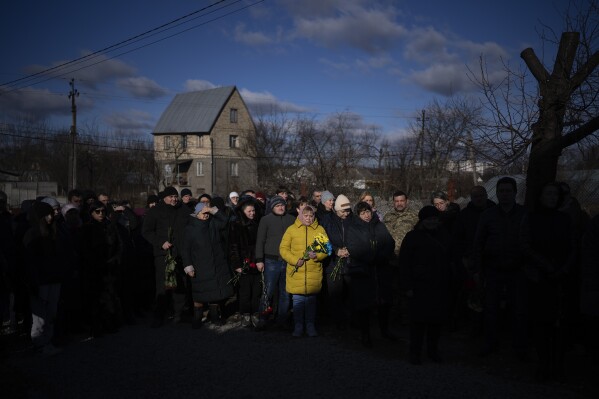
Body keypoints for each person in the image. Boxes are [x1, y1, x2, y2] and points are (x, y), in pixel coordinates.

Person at [520, 182, 573, 381]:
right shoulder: (531, 218)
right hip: (539, 278)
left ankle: (557, 364)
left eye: (554, 194)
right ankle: (543, 363)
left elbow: (573, 246)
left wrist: (564, 268)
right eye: (548, 194)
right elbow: (525, 245)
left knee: (559, 324)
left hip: (560, 278)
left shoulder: (564, 219)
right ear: (541, 196)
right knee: (540, 322)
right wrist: (545, 266)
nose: (551, 197)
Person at [473, 176, 529, 359]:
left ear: (515, 192)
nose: (504, 194)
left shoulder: (524, 214)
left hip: (517, 269)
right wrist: (478, 270)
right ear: (496, 193)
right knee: (491, 309)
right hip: (493, 269)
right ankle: (490, 343)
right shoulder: (488, 215)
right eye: (501, 191)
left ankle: (519, 346)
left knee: (519, 310)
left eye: (508, 191)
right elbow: (479, 243)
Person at [399, 206, 452, 365]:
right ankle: (415, 352)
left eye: (435, 219)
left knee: (436, 322)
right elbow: (405, 263)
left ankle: (433, 351)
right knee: (418, 323)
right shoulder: (412, 237)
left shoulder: (444, 235)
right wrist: (407, 286)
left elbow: (449, 258)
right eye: (429, 219)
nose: (432, 222)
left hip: (438, 285)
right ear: (422, 221)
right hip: (419, 286)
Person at [182, 203, 234, 328]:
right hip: (200, 266)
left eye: (206, 213)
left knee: (214, 293)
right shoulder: (190, 229)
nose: (205, 216)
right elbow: (185, 250)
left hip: (216, 264)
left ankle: (215, 317)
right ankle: (197, 318)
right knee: (199, 294)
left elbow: (225, 220)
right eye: (203, 213)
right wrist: (188, 266)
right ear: (197, 214)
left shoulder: (213, 223)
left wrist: (212, 210)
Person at [22, 201, 65, 355]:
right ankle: (39, 343)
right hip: (40, 281)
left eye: (51, 214)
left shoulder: (54, 232)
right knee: (39, 315)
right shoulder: (32, 234)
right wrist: (32, 280)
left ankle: (47, 341)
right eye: (46, 215)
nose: (50, 217)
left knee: (51, 312)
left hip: (54, 278)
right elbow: (29, 261)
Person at [280, 205, 329, 337]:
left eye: (311, 216)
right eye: (306, 216)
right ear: (301, 215)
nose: (308, 219)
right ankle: (298, 325)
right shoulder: (291, 230)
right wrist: (295, 260)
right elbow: (283, 249)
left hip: (313, 273)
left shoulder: (319, 230)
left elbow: (327, 249)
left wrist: (317, 256)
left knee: (311, 302)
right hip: (297, 273)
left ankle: (310, 325)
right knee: (298, 301)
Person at [141, 186, 186, 328]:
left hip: (179, 253)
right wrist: (161, 242)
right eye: (171, 196)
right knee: (162, 285)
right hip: (162, 254)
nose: (174, 199)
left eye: (175, 196)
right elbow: (146, 231)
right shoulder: (155, 211)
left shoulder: (182, 209)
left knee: (179, 284)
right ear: (165, 197)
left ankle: (179, 314)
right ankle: (159, 315)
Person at [254, 195, 295, 329]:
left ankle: (282, 319)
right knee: (268, 290)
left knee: (285, 292)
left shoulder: (291, 219)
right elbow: (260, 240)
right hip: (271, 260)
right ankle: (262, 317)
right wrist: (259, 259)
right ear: (272, 207)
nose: (280, 207)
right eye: (277, 205)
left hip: (288, 260)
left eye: (282, 205)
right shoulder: (266, 220)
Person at [229, 199, 261, 327]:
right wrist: (236, 264)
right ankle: (245, 313)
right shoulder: (236, 224)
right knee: (245, 291)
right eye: (249, 211)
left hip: (257, 261)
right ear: (243, 212)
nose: (252, 213)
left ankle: (255, 313)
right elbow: (233, 246)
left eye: (253, 210)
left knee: (257, 290)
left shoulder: (258, 223)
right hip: (244, 262)